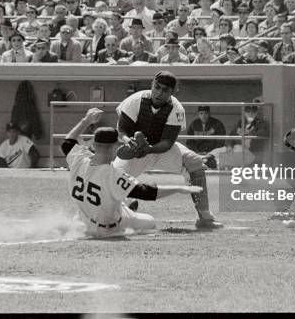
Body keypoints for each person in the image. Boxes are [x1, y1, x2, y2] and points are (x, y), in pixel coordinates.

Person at [61, 107, 203, 237]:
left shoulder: (79, 158)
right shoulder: (112, 175)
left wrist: (86, 120)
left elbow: (67, 142)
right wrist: (179, 188)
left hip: (84, 220)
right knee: (150, 221)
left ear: (93, 145)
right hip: (107, 229)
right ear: (113, 148)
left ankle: (124, 205)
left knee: (117, 195)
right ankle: (126, 208)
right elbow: (146, 192)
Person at [113, 71, 223, 229]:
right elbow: (122, 130)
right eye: (156, 87)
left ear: (173, 92)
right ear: (152, 84)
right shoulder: (135, 100)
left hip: (160, 150)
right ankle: (118, 211)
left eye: (165, 90)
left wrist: (149, 149)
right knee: (111, 178)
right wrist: (128, 142)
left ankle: (205, 216)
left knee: (194, 162)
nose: (159, 92)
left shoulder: (176, 108)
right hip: (134, 153)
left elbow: (168, 142)